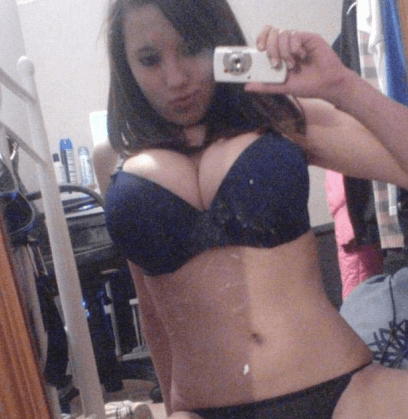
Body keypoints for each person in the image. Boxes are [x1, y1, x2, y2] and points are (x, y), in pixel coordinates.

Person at [95, 0, 408, 417]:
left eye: (190, 48)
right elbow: (154, 311)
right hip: (202, 407)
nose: (176, 79)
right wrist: (172, 408)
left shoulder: (279, 116)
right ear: (125, 65)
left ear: (219, 41)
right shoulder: (113, 158)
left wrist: (341, 86)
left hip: (341, 391)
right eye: (149, 59)